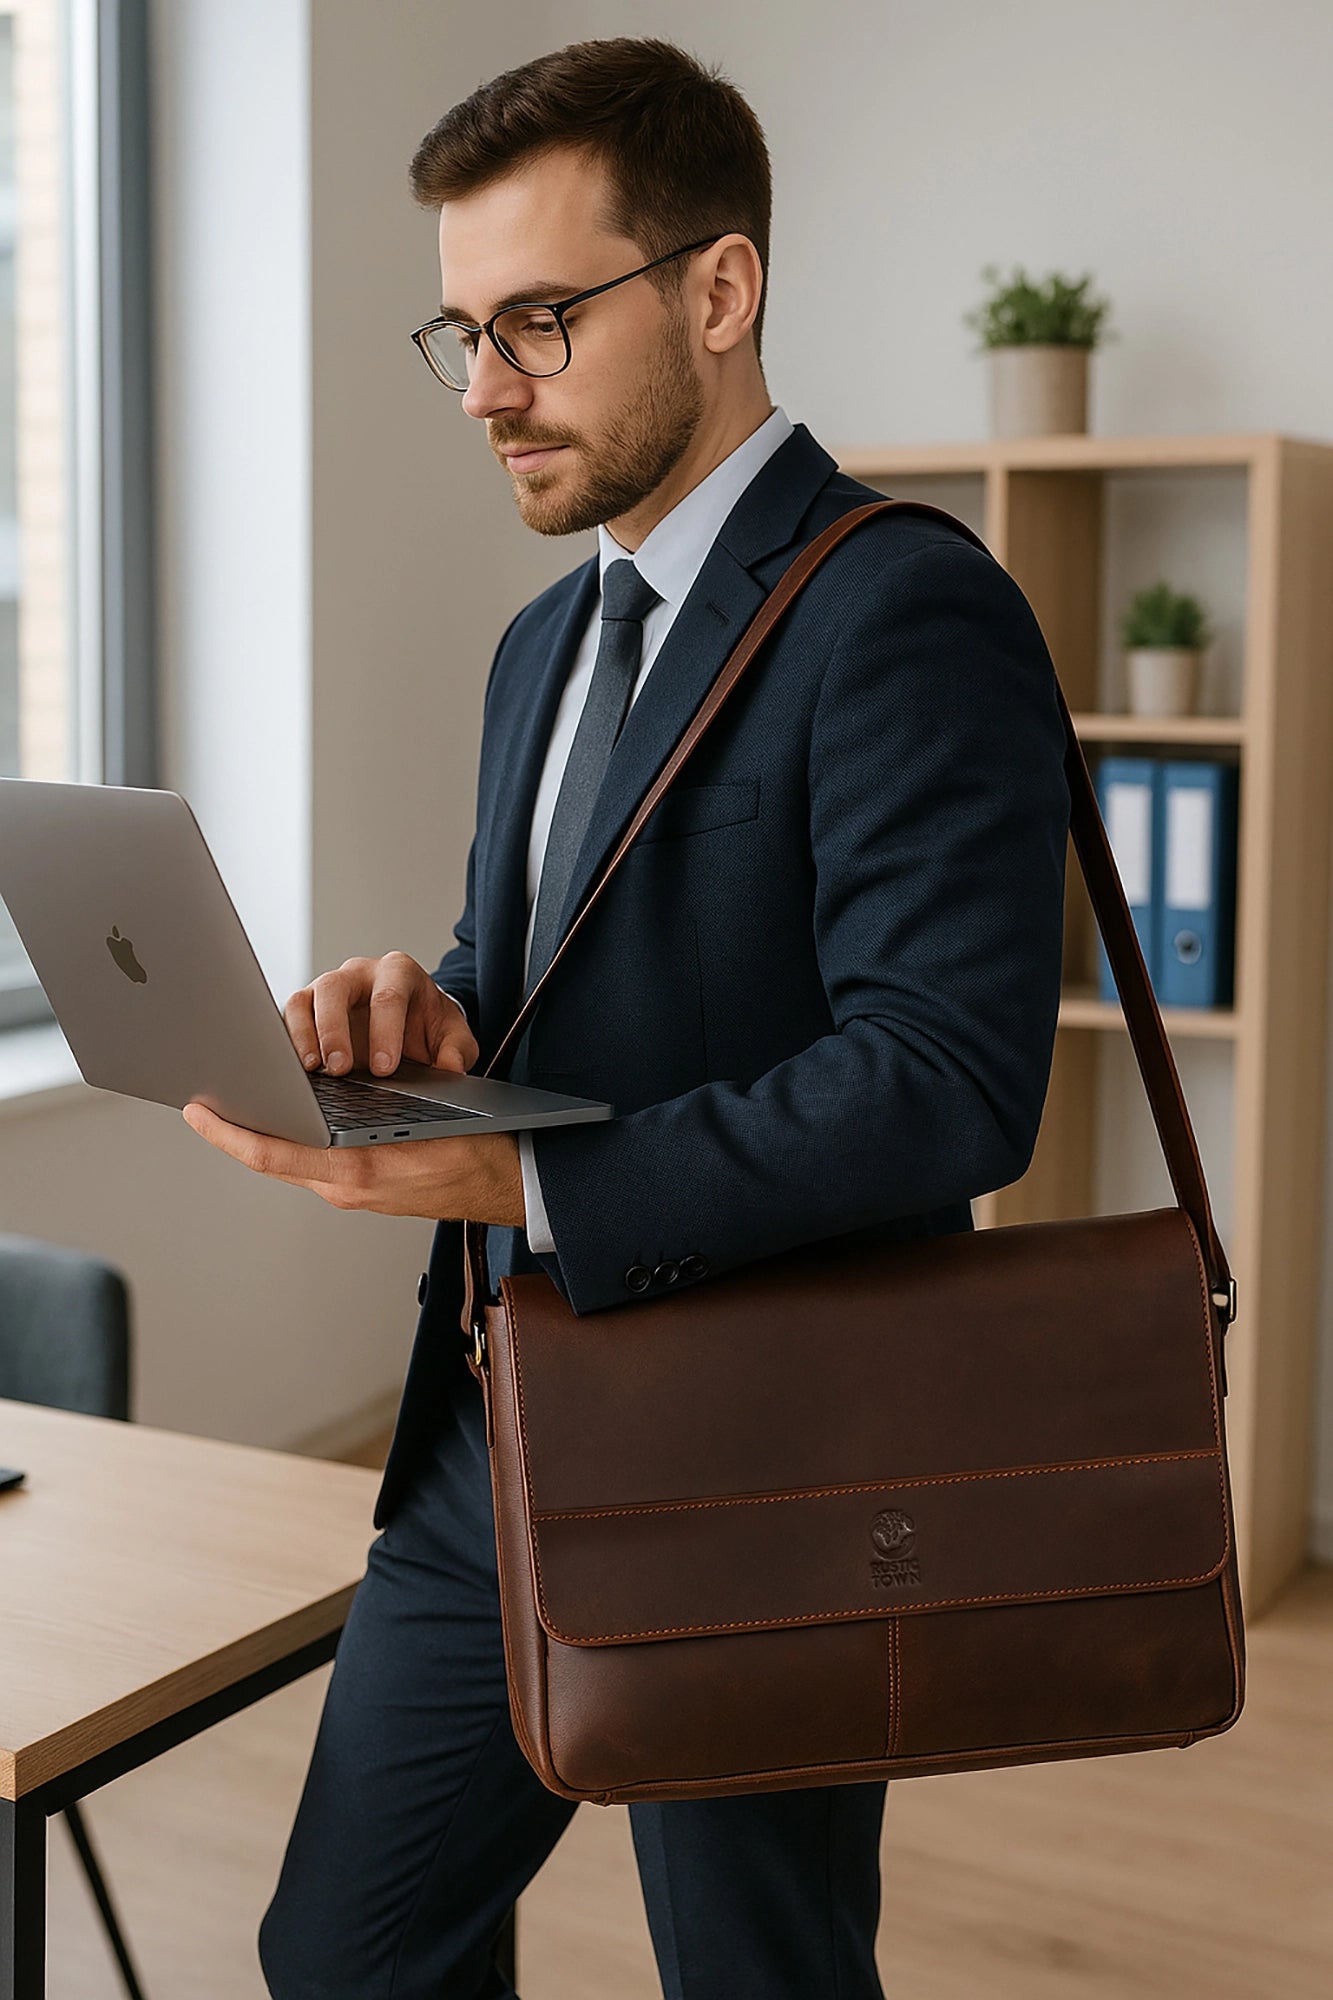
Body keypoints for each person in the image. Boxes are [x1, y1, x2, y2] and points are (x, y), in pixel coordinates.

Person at [183, 34, 1071, 2000]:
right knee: (345, 1952)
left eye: (538, 322)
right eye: (463, 333)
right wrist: (427, 1008)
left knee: (755, 1974)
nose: (487, 388)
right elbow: (559, 967)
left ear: (720, 292)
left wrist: (532, 1172)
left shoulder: (897, 606)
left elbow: (948, 1078)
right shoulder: (544, 643)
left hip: (763, 1459)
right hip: (490, 1437)